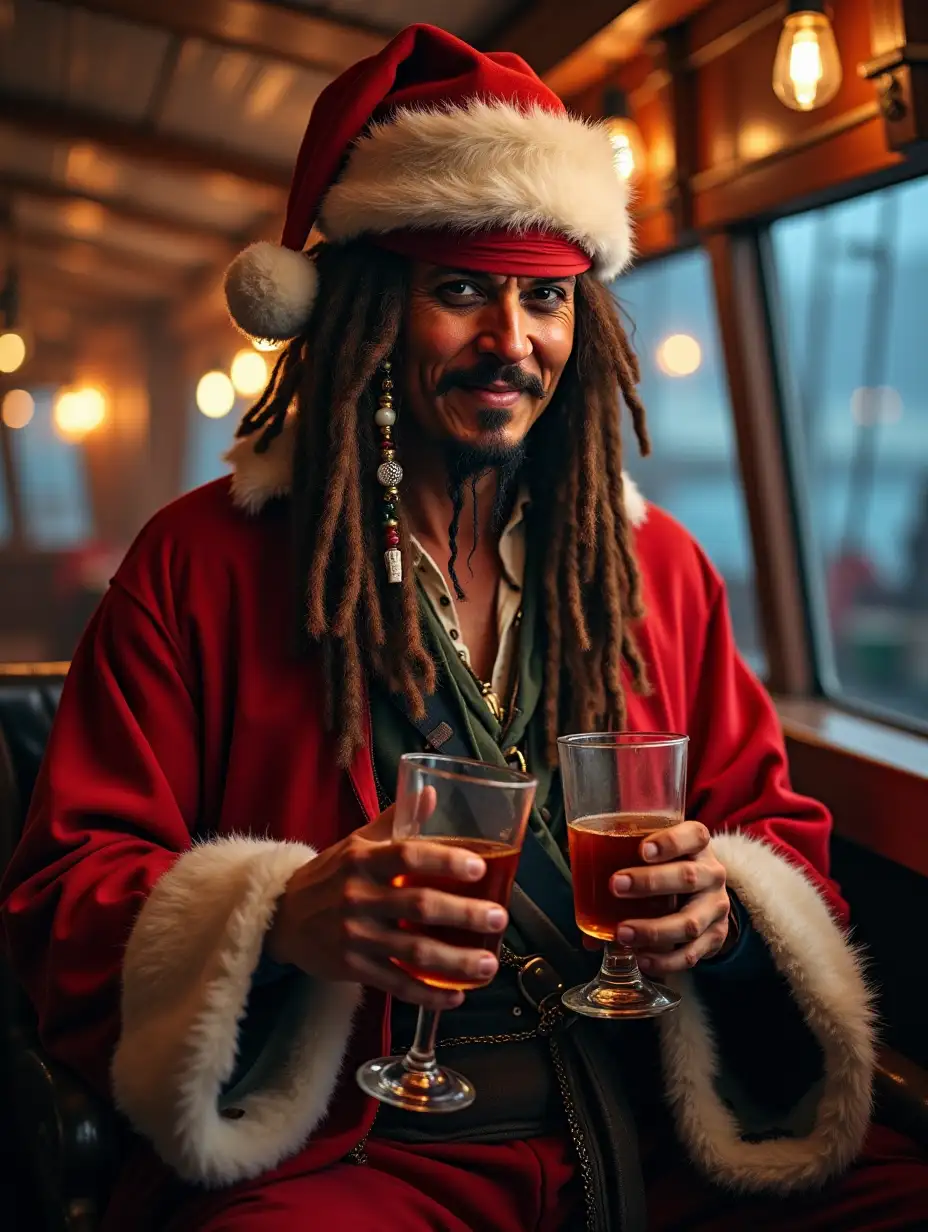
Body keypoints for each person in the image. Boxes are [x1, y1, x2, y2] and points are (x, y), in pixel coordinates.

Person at [2, 22, 926, 1232]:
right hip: (354, 1146)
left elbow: (777, 834)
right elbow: (66, 900)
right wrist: (282, 917)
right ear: (363, 316)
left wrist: (730, 913)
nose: (512, 342)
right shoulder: (196, 563)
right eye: (461, 291)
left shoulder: (657, 564)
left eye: (545, 297)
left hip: (656, 1116)